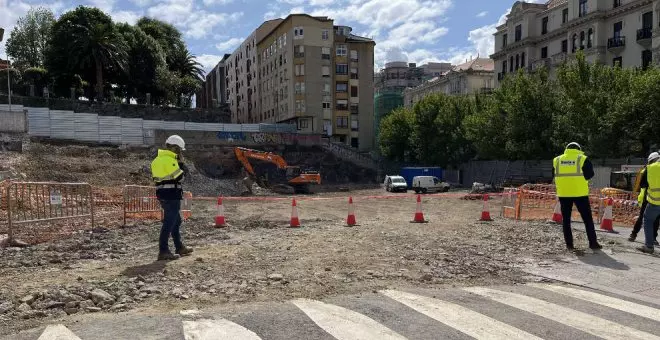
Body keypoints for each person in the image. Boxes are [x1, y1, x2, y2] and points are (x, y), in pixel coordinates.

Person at [150, 135, 193, 261]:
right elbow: (181, 178)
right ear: (174, 148)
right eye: (179, 150)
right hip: (171, 194)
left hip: (162, 193)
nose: (180, 152)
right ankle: (163, 250)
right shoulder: (170, 160)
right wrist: (181, 164)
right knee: (169, 222)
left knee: (176, 220)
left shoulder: (156, 160)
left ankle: (179, 247)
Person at [553, 142, 602, 251]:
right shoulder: (582, 158)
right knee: (587, 219)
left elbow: (555, 174)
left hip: (564, 194)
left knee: (566, 220)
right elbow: (590, 174)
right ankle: (593, 243)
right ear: (579, 149)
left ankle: (569, 245)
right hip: (580, 194)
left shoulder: (557, 160)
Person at [629, 152, 660, 245]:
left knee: (644, 217)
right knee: (655, 219)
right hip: (654, 198)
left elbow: (642, 184)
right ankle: (652, 238)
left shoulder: (649, 168)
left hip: (650, 197)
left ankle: (634, 235)